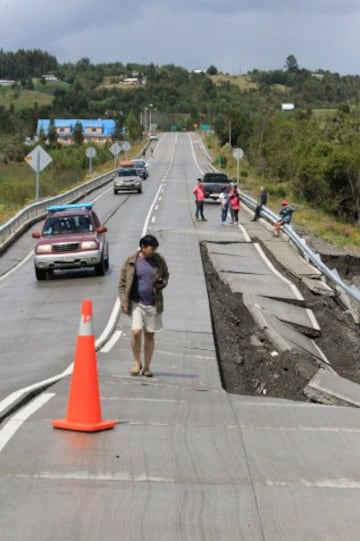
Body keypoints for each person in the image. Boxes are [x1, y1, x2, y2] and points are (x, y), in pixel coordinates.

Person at [119, 234, 169, 377]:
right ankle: (136, 362)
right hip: (136, 302)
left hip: (153, 303)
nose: (153, 251)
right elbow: (122, 284)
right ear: (142, 247)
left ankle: (147, 367)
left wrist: (162, 283)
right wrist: (124, 303)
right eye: (151, 249)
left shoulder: (158, 260)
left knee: (149, 335)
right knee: (136, 332)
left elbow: (166, 275)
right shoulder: (130, 262)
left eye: (155, 249)